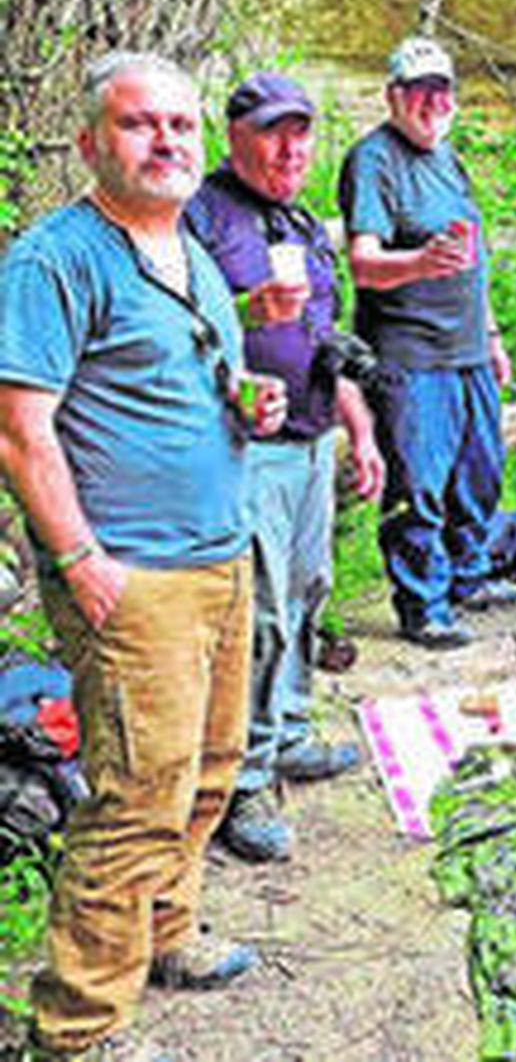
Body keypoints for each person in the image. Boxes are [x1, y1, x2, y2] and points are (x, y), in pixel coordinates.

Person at [0, 53, 288, 1059]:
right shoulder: (56, 260)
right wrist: (80, 559)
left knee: (209, 772)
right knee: (135, 800)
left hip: (219, 555)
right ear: (90, 144)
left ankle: (168, 935)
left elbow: (193, 378)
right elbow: (18, 431)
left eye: (180, 124)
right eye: (139, 124)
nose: (165, 140)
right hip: (133, 573)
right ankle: (79, 1029)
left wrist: (249, 400)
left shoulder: (188, 251)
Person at [186, 73, 385, 862]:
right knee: (257, 614)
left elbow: (323, 341)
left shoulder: (301, 221)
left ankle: (290, 729)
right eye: (273, 132)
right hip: (243, 449)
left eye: (301, 133)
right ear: (235, 138)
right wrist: (244, 319)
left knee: (308, 591)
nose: (290, 148)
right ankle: (242, 778)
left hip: (310, 443)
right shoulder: (201, 217)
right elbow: (182, 333)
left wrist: (358, 433)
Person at [339, 36, 514, 649]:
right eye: (419, 91)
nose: (433, 102)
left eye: (442, 91)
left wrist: (491, 336)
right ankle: (423, 606)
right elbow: (363, 263)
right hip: (410, 355)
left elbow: (474, 261)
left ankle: (468, 581)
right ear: (393, 96)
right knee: (419, 486)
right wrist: (418, 263)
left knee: (481, 476)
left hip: (467, 348)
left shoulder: (449, 160)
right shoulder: (374, 160)